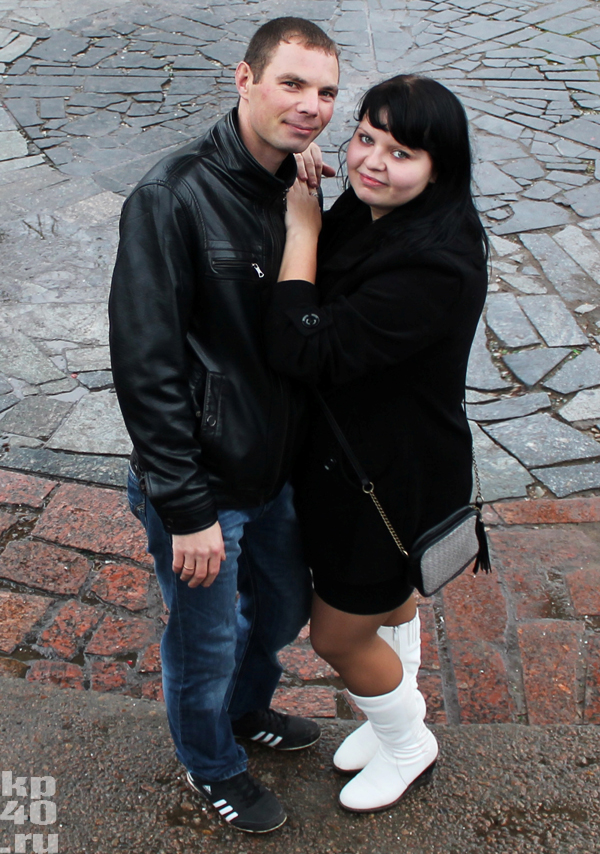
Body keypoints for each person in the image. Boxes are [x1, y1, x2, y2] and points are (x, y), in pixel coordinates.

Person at [108, 18, 340, 834]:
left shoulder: (295, 185)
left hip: (275, 470)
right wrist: (185, 506)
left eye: (326, 92)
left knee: (279, 613)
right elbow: (146, 365)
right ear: (244, 79)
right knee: (204, 642)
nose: (311, 106)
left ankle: (244, 711)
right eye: (292, 84)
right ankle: (211, 762)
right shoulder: (170, 197)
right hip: (204, 483)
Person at [264, 75, 488, 813]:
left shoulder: (435, 265)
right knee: (389, 604)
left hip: (388, 477)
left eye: (401, 153)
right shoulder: (388, 213)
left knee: (336, 634)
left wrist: (303, 228)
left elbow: (304, 349)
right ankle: (394, 713)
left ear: (439, 169)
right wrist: (312, 188)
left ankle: (408, 740)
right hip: (373, 458)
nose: (371, 162)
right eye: (366, 138)